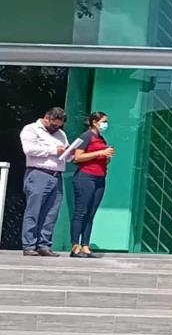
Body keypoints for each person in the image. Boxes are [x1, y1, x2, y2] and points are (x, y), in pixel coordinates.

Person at [20, 107, 71, 257]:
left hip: (56, 175)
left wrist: (69, 153)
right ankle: (29, 245)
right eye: (54, 125)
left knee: (51, 213)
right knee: (33, 211)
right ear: (46, 118)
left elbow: (65, 154)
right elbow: (29, 149)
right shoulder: (31, 129)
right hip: (38, 173)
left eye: (59, 125)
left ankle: (44, 245)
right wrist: (53, 151)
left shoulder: (61, 134)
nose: (56, 128)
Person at [69, 111, 115, 258]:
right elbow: (77, 157)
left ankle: (86, 246)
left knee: (91, 213)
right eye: (103, 121)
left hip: (100, 177)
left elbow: (101, 155)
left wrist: (106, 157)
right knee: (81, 211)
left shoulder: (101, 138)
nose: (105, 124)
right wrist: (99, 153)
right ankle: (75, 246)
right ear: (94, 122)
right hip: (85, 177)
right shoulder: (86, 136)